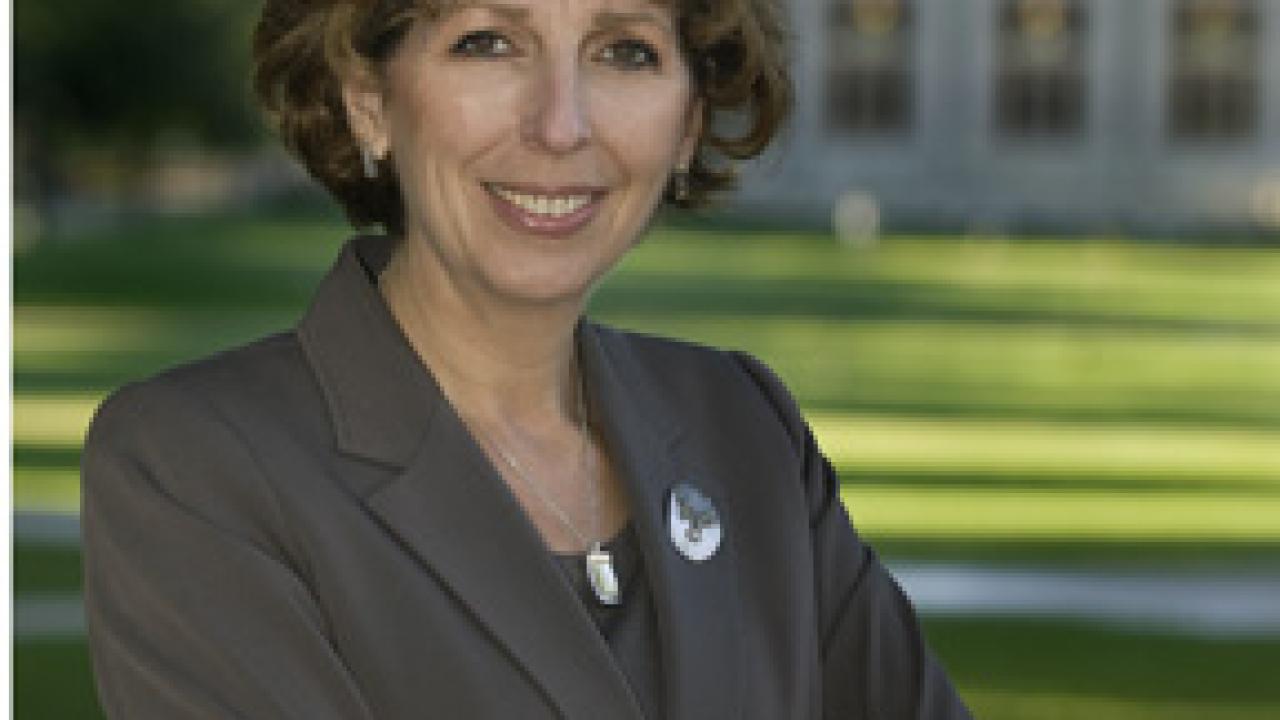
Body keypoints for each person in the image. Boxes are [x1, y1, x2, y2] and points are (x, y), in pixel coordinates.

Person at [81, 0, 972, 717]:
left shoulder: (743, 426)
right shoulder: (194, 466)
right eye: (488, 42)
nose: (560, 125)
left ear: (689, 122)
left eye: (624, 51)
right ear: (369, 99)